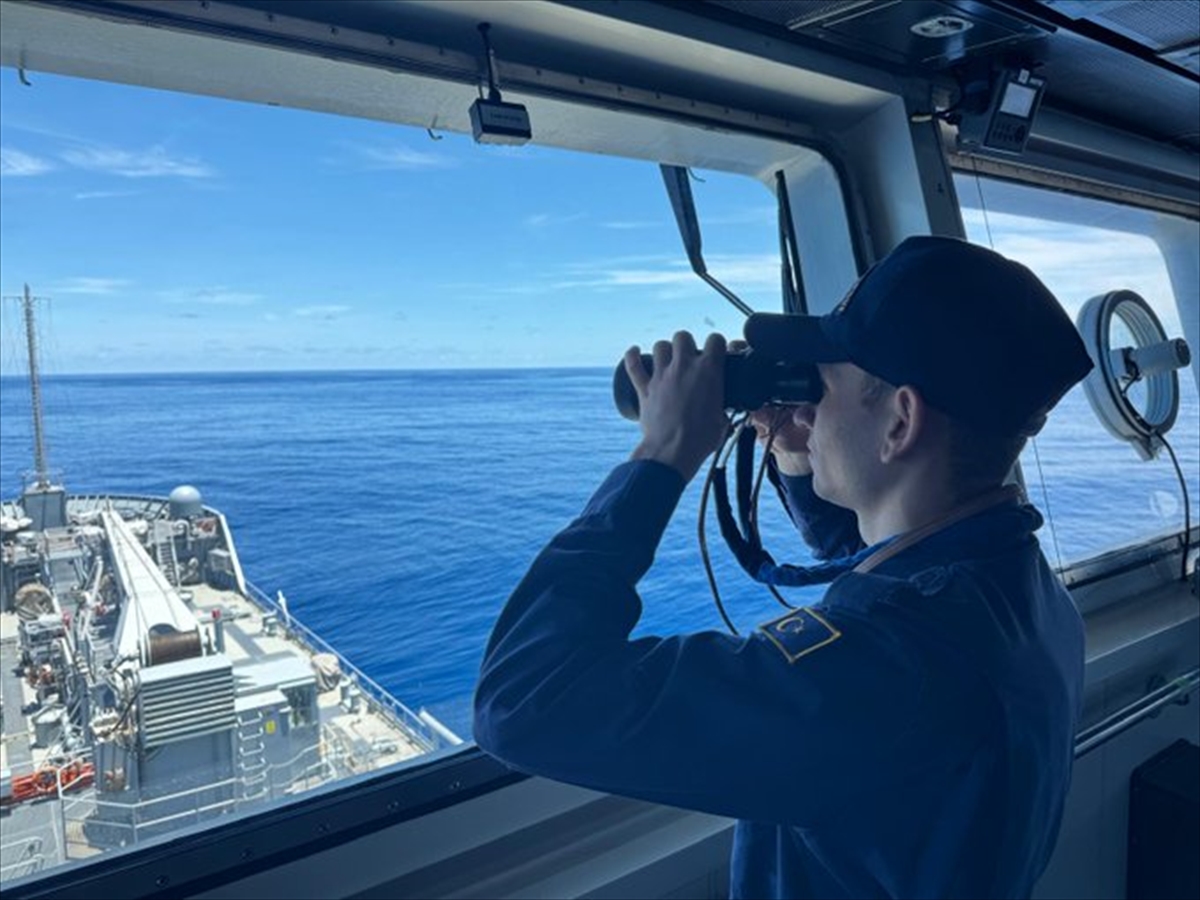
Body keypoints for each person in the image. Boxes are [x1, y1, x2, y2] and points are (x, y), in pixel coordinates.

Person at [473, 235, 1094, 899]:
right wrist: (802, 458)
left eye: (821, 385)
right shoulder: (1020, 590)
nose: (803, 407)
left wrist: (660, 456)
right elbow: (889, 563)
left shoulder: (890, 671)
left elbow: (523, 700)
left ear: (900, 423)